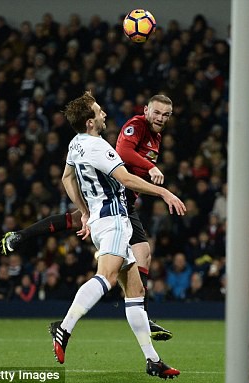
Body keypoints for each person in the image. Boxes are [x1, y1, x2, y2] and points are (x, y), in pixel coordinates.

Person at [1, 94, 175, 340]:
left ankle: (21, 235)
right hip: (114, 192)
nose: (161, 118)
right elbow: (124, 152)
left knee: (85, 222)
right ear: (146, 110)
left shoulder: (153, 135)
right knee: (129, 254)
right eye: (156, 112)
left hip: (126, 197)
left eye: (166, 115)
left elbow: (67, 177)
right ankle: (136, 313)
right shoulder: (136, 126)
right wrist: (152, 170)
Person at [49, 91, 183, 378]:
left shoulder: (75, 144)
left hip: (101, 220)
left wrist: (84, 211)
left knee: (135, 292)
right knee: (107, 278)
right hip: (114, 220)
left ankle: (153, 361)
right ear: (89, 122)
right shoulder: (100, 148)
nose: (104, 115)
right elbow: (125, 178)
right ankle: (64, 327)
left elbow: (66, 178)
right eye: (99, 112)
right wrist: (163, 192)